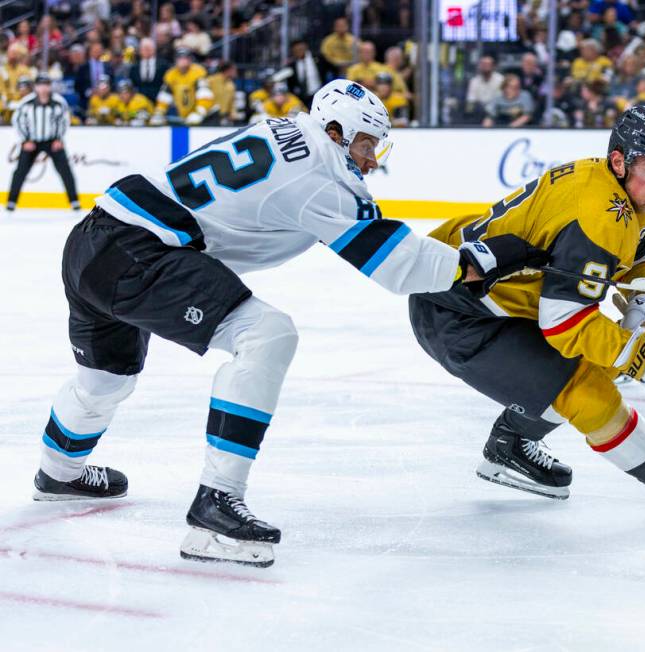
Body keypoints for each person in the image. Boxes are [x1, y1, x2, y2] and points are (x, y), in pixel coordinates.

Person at [30, 79, 546, 567]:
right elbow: (400, 267)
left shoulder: (286, 131)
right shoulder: (321, 175)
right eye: (366, 143)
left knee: (105, 379)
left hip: (93, 239)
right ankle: (216, 510)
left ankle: (59, 472)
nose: (371, 159)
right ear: (335, 130)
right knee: (266, 335)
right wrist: (482, 257)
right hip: (141, 253)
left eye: (377, 147)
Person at [407, 105, 645, 524]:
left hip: (497, 299)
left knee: (601, 362)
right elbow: (565, 324)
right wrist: (641, 355)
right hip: (456, 313)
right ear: (620, 160)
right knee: (587, 390)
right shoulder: (599, 212)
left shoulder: (629, 189)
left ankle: (510, 445)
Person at [7, 73, 78, 213]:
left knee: (65, 170)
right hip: (31, 141)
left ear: (50, 86)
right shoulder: (26, 103)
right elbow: (17, 121)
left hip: (52, 141)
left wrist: (58, 138)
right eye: (40, 85)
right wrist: (25, 139)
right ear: (36, 87)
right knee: (20, 172)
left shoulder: (58, 102)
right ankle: (11, 202)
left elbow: (64, 121)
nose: (43, 88)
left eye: (46, 84)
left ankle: (74, 201)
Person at [152, 48, 213, 125]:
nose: (183, 61)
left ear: (190, 60)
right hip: (182, 114)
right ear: (176, 60)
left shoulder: (198, 72)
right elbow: (165, 96)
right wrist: (159, 113)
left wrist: (200, 112)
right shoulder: (171, 74)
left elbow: (205, 95)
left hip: (203, 116)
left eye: (185, 58)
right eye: (180, 58)